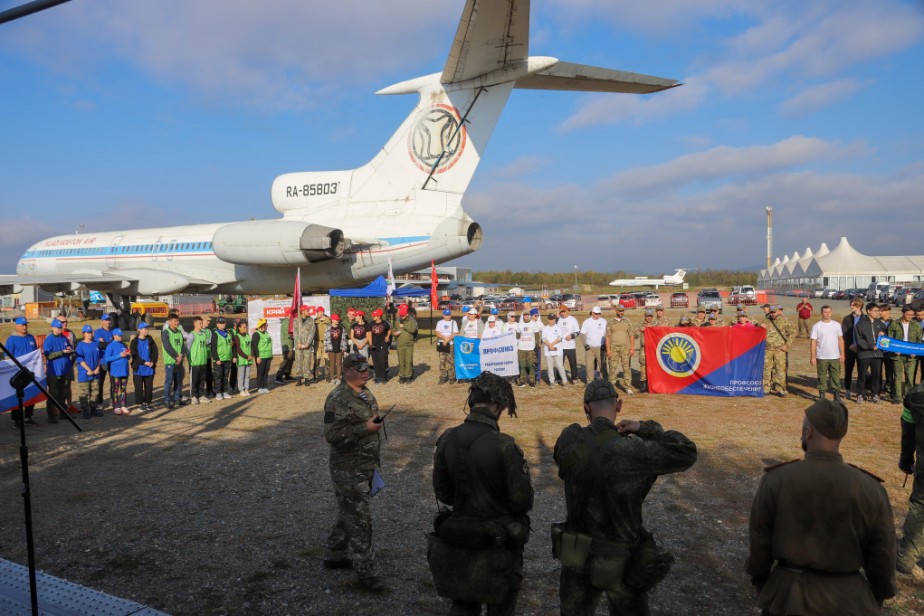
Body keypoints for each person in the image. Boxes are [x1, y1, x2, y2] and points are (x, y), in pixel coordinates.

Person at [553, 379, 698, 615]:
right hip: (620, 556)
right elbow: (686, 451)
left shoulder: (569, 439)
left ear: (586, 408)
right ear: (618, 406)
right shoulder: (634, 451)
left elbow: (561, 459)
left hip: (576, 553)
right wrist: (644, 428)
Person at [746, 398, 896, 614]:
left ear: (808, 432)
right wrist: (878, 595)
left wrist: (762, 584)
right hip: (848, 599)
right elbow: (882, 553)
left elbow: (760, 542)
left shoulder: (778, 480)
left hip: (789, 596)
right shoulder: (871, 489)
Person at [431, 371, 533, 615]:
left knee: (463, 603)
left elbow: (443, 493)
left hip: (459, 540)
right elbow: (522, 501)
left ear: (472, 402)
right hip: (496, 546)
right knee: (501, 606)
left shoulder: (447, 438)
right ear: (499, 405)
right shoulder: (505, 445)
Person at [323, 353, 386, 592]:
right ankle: (366, 573)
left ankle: (335, 555)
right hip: (347, 468)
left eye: (366, 368)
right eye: (359, 368)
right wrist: (365, 428)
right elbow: (331, 436)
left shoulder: (364, 392)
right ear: (346, 370)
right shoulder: (337, 398)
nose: (364, 372)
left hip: (365, 463)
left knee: (349, 510)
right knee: (360, 518)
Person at [897, 384, 924, 578]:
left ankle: (906, 558)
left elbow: (908, 429)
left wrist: (906, 459)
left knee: (920, 506)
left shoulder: (915, 394)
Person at [809, 305, 844, 401]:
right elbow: (813, 342)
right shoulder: (817, 326)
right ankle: (822, 396)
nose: (827, 314)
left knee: (836, 376)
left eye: (829, 312)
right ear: (821, 313)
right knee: (822, 377)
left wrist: (842, 354)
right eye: (825, 312)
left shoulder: (836, 325)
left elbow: (840, 339)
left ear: (831, 313)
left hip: (835, 356)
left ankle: (836, 395)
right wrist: (813, 356)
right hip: (821, 356)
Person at [42, 318, 74, 424]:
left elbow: (69, 349)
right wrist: (62, 352)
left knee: (63, 393)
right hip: (54, 371)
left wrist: (70, 351)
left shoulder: (64, 338)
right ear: (52, 328)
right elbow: (48, 355)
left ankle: (63, 413)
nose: (59, 329)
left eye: (60, 327)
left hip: (64, 370)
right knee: (53, 394)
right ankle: (51, 415)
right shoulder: (49, 340)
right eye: (57, 328)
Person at [888, 306, 922, 404]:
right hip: (897, 355)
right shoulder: (894, 324)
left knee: (910, 377)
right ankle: (897, 397)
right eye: (908, 314)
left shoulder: (916, 325)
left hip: (911, 356)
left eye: (912, 315)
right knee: (897, 376)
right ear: (903, 313)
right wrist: (894, 350)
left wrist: (915, 351)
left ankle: (909, 397)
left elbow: (919, 340)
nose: (910, 316)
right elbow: (890, 339)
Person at [855, 302, 886, 404]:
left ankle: (875, 394)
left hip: (878, 355)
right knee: (862, 375)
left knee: (876, 375)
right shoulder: (860, 324)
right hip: (865, 354)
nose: (878, 313)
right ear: (868, 311)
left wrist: (884, 334)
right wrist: (870, 346)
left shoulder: (880, 324)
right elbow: (859, 339)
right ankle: (860, 394)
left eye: (878, 311)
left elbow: (887, 338)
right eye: (875, 311)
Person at [761, 305, 794, 397]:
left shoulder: (785, 321)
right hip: (768, 350)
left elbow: (792, 333)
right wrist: (761, 327)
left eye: (774, 312)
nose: (772, 314)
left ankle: (780, 389)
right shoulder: (766, 321)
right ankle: (766, 388)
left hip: (780, 350)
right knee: (767, 369)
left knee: (780, 370)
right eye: (771, 312)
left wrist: (787, 345)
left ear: (778, 312)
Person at [605, 305, 635, 395]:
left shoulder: (627, 321)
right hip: (613, 348)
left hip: (625, 348)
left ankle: (628, 387)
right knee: (612, 368)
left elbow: (631, 335)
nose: (621, 312)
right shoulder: (610, 322)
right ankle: (611, 387)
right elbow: (607, 337)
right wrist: (608, 350)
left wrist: (632, 347)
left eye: (623, 311)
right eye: (620, 311)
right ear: (616, 311)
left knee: (626, 368)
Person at [75, 324, 103, 419]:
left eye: (91, 332)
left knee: (95, 392)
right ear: (83, 334)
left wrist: (97, 368)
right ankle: (85, 410)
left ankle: (93, 408)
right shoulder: (80, 345)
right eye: (88, 332)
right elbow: (79, 359)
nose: (90, 334)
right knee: (84, 392)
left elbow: (99, 357)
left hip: (95, 372)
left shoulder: (95, 344)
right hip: (85, 373)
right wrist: (88, 370)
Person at [161, 313, 188, 410]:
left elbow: (182, 346)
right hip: (170, 361)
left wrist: (181, 355)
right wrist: (176, 356)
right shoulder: (166, 333)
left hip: (179, 361)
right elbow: (167, 347)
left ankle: (177, 399)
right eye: (175, 321)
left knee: (178, 381)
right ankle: (167, 400)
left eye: (177, 321)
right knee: (169, 381)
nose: (177, 323)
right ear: (169, 322)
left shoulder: (179, 332)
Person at [130, 322, 158, 411]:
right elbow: (134, 355)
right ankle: (140, 404)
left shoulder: (150, 340)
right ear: (139, 330)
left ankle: (147, 403)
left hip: (149, 368)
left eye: (147, 329)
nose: (146, 330)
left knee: (149, 387)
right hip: (139, 368)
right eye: (144, 329)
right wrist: (143, 362)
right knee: (138, 387)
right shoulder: (134, 342)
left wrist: (153, 362)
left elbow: (155, 352)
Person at [102, 328, 131, 414]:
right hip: (115, 372)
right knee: (115, 389)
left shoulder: (124, 345)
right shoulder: (110, 346)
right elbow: (107, 358)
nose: (121, 337)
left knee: (123, 389)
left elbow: (128, 357)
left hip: (124, 371)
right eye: (119, 335)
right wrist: (119, 355)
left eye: (121, 335)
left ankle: (123, 405)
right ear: (114, 336)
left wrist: (128, 355)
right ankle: (116, 405)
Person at [842, 298, 865, 399]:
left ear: (859, 306)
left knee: (862, 371)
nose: (851, 307)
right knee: (848, 370)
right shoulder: (847, 319)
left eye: (853, 305)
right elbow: (845, 333)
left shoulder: (865, 319)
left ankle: (860, 392)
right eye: (850, 305)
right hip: (850, 348)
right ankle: (847, 389)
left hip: (862, 349)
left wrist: (861, 345)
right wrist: (851, 345)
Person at [187, 317, 212, 403]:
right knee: (195, 380)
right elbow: (188, 348)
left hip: (203, 361)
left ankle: (201, 395)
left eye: (202, 323)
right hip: (195, 362)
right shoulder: (192, 335)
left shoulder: (203, 334)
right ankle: (194, 396)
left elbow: (205, 343)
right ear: (195, 324)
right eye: (199, 323)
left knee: (202, 379)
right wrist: (190, 360)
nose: (201, 325)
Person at [580, 307, 607, 383]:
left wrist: (605, 345)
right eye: (596, 313)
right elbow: (582, 334)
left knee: (603, 365)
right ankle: (590, 381)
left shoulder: (604, 321)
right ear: (592, 313)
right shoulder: (587, 322)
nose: (598, 315)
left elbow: (607, 334)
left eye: (599, 313)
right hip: (590, 348)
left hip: (601, 347)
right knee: (589, 366)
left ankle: (604, 381)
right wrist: (585, 344)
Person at [93, 314, 115, 408]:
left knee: (113, 382)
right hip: (102, 361)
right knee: (100, 383)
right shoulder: (98, 332)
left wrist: (106, 344)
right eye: (106, 320)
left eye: (109, 320)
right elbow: (100, 345)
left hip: (112, 361)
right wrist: (111, 344)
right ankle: (99, 402)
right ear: (102, 321)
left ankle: (112, 400)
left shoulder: (114, 331)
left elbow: (117, 343)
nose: (108, 322)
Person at [393, 304, 418, 383]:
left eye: (403, 315)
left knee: (408, 361)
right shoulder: (397, 320)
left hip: (408, 344)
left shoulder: (412, 321)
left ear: (407, 314)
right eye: (401, 315)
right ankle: (401, 376)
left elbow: (413, 330)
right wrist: (394, 333)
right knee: (401, 361)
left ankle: (408, 376)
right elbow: (393, 329)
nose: (402, 317)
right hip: (400, 343)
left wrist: (404, 326)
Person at [294, 305, 318, 386]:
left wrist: (308, 343)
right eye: (307, 310)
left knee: (307, 361)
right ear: (303, 311)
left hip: (307, 345)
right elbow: (295, 332)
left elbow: (312, 332)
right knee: (298, 361)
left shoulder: (311, 320)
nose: (308, 312)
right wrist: (298, 343)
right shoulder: (297, 320)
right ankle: (299, 379)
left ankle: (307, 378)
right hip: (299, 345)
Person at [210, 317, 234, 399]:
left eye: (224, 323)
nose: (222, 324)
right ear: (217, 324)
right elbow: (213, 348)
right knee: (218, 376)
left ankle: (225, 391)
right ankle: (218, 392)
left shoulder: (229, 333)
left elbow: (232, 345)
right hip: (219, 360)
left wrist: (232, 356)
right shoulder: (215, 334)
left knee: (225, 376)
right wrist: (216, 359)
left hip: (227, 358)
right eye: (221, 323)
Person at [516, 311, 540, 387]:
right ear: (523, 316)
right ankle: (522, 380)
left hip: (530, 348)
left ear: (529, 316)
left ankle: (532, 381)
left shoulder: (533, 324)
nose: (526, 316)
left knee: (531, 365)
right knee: (522, 365)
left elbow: (536, 335)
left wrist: (536, 344)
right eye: (525, 315)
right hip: (521, 348)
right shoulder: (519, 325)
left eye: (527, 315)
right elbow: (517, 336)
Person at [542, 313, 567, 387]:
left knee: (560, 366)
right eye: (551, 319)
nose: (553, 320)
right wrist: (549, 345)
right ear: (548, 320)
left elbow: (560, 338)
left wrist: (552, 344)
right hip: (548, 351)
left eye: (554, 319)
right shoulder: (545, 328)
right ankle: (552, 381)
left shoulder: (558, 328)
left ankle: (564, 381)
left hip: (558, 350)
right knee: (549, 367)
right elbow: (543, 339)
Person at [368, 308, 391, 384]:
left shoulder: (385, 323)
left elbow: (389, 330)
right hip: (374, 345)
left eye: (375, 316)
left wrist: (387, 336)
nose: (373, 317)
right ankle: (377, 377)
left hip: (382, 344)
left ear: (379, 316)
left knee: (382, 360)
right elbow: (369, 334)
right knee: (375, 361)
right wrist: (370, 344)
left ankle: (384, 377)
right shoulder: (371, 324)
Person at [435, 309, 459, 385]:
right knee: (442, 361)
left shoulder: (453, 322)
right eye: (446, 315)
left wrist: (447, 340)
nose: (448, 316)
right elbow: (437, 333)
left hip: (450, 344)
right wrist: (444, 338)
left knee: (451, 361)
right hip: (442, 344)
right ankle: (443, 377)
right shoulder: (440, 322)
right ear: (443, 315)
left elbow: (455, 333)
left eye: (449, 315)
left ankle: (452, 377)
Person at [559, 306, 581, 385]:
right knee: (560, 363)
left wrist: (571, 336)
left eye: (564, 311)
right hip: (561, 346)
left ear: (567, 311)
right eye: (561, 312)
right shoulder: (559, 320)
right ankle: (559, 377)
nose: (562, 313)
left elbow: (578, 332)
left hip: (570, 346)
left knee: (573, 363)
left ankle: (574, 378)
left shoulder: (573, 320)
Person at [251, 318, 273, 394]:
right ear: (262, 325)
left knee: (266, 372)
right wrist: (257, 356)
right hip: (261, 357)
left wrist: (270, 355)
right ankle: (260, 387)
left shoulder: (266, 333)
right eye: (266, 324)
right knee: (260, 372)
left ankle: (265, 386)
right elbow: (255, 346)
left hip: (268, 356)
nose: (267, 326)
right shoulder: (256, 334)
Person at [635, 309, 655, 392]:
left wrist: (653, 329)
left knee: (653, 366)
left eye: (650, 316)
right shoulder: (640, 324)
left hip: (653, 349)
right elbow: (634, 335)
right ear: (645, 316)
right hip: (643, 349)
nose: (649, 318)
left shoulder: (655, 324)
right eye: (647, 316)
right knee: (643, 366)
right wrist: (640, 330)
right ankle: (643, 385)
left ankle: (652, 384)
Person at [232, 320, 253, 395]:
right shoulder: (237, 336)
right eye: (244, 327)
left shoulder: (247, 335)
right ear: (239, 328)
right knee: (241, 375)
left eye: (246, 327)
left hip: (249, 359)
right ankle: (241, 389)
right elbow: (238, 349)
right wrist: (246, 356)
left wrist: (251, 355)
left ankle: (247, 388)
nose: (245, 328)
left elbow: (251, 346)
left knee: (247, 375)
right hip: (242, 359)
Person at [325, 313, 346, 383]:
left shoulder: (341, 328)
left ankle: (338, 378)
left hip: (339, 348)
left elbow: (344, 339)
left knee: (339, 363)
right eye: (336, 320)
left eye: (338, 320)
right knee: (332, 364)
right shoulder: (328, 328)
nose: (337, 321)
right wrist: (327, 349)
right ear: (332, 320)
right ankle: (332, 378)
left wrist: (344, 348)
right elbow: (326, 339)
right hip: (331, 348)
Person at [315, 307, 331, 382]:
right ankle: (316, 376)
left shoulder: (329, 321)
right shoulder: (315, 321)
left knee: (327, 360)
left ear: (321, 312)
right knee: (316, 360)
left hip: (326, 343)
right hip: (317, 343)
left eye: (317, 312)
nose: (317, 314)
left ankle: (327, 376)